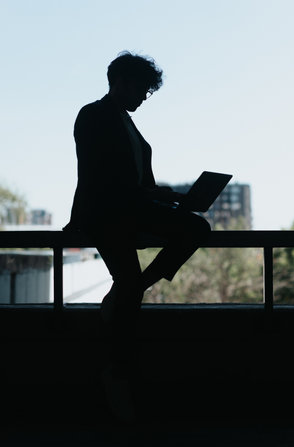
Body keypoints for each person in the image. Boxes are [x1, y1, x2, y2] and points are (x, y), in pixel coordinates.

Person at [64, 51, 211, 421]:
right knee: (130, 286)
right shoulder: (94, 115)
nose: (145, 96)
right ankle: (118, 375)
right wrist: (151, 196)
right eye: (142, 88)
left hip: (131, 209)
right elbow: (96, 176)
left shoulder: (125, 123)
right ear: (120, 82)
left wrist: (163, 195)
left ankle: (118, 370)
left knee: (192, 230)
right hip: (109, 214)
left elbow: (132, 180)